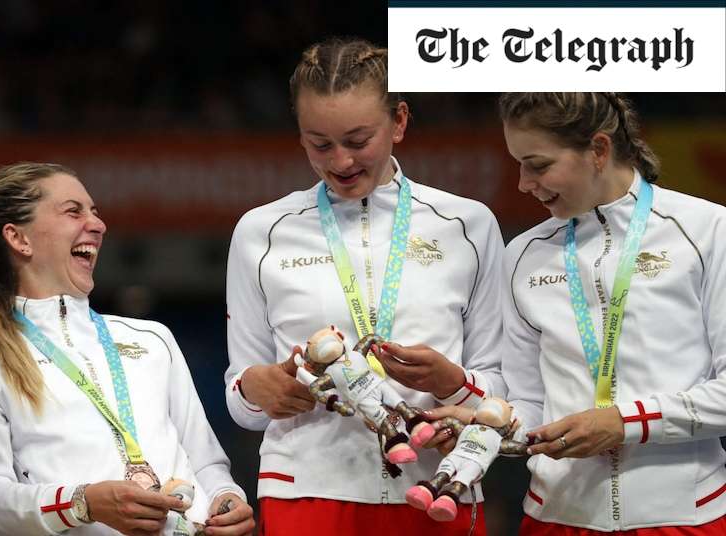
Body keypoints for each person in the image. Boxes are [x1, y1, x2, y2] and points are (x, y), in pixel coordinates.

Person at [223, 37, 505, 535]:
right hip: (308, 495)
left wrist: (452, 385)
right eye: (319, 143)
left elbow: (502, 387)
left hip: (435, 489)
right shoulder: (260, 232)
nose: (341, 162)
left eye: (357, 141)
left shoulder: (468, 225)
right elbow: (241, 402)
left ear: (399, 121)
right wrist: (256, 387)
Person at [0, 162, 254, 536]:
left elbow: (207, 464)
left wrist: (227, 499)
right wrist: (83, 503)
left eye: (95, 211)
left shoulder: (152, 339)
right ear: (19, 238)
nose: (97, 224)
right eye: (73, 211)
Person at [499, 92, 726, 534]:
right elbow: (527, 401)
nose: (524, 183)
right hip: (555, 519)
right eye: (518, 164)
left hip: (682, 518)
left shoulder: (708, 231)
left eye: (539, 165)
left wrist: (625, 423)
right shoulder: (522, 255)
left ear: (599, 150)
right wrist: (484, 423)